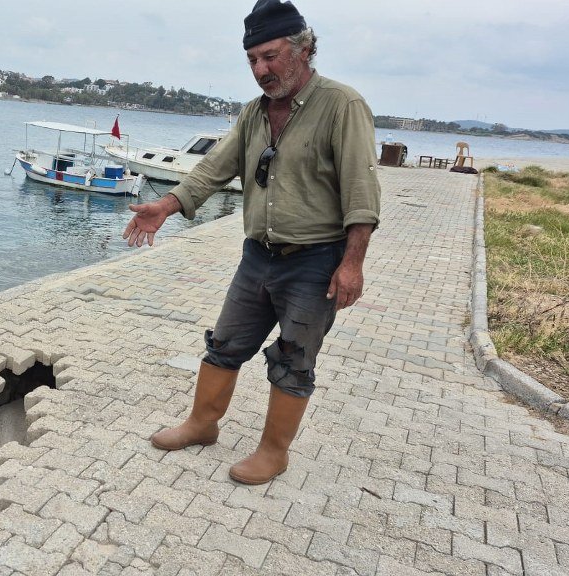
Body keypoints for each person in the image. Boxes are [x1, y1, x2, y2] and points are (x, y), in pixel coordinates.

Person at [122, 0, 381, 485]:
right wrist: (168, 205)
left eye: (271, 56)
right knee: (225, 343)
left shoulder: (341, 105)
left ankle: (274, 452)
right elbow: (214, 169)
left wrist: (352, 264)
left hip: (315, 261)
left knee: (293, 360)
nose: (261, 70)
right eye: (252, 60)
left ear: (304, 49)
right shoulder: (253, 113)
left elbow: (361, 193)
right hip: (257, 256)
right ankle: (202, 425)